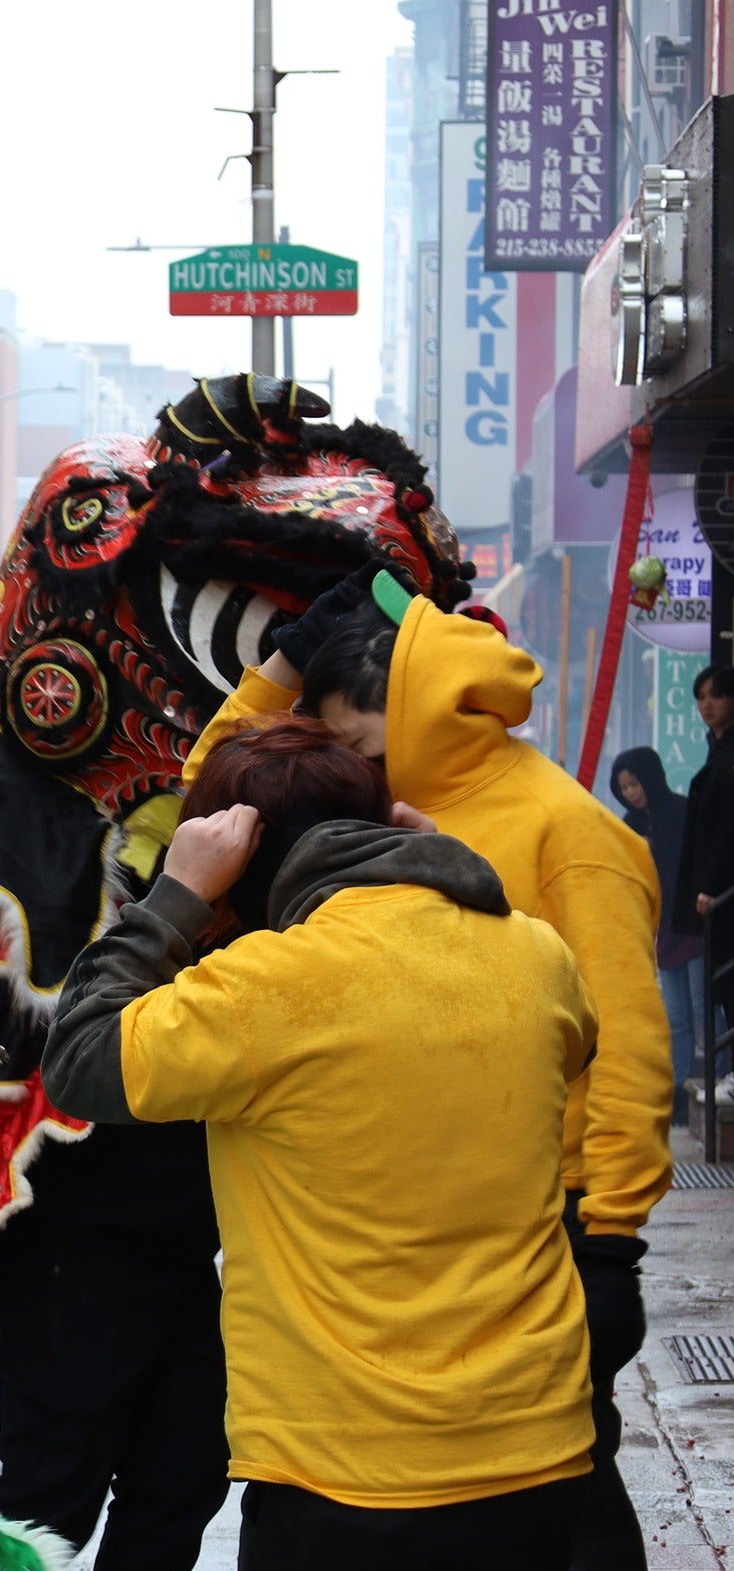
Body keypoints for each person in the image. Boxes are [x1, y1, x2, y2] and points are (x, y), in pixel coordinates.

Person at [192, 565, 667, 1569]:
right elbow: (217, 799)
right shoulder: (380, 804)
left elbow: (624, 1045)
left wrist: (610, 1238)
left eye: (353, 743)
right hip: (384, 1209)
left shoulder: (565, 830)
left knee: (559, 1489)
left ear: (404, 714)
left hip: (536, 1222)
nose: (342, 764)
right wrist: (276, 671)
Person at [48, 719, 596, 1570]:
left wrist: (172, 896)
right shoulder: (533, 951)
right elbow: (576, 1040)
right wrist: (451, 866)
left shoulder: (261, 989)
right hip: (541, 1452)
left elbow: (79, 1060)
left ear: (241, 861)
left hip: (344, 1476)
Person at [611, 746, 707, 1122]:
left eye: (635, 783)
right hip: (663, 926)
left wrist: (656, 852)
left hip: (693, 923)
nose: (632, 793)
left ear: (650, 777)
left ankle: (717, 1077)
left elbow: (689, 863)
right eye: (624, 788)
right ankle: (680, 1087)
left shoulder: (681, 811)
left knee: (703, 1006)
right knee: (676, 1015)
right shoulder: (629, 824)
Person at [680, 665, 734, 1101]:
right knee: (721, 983)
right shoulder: (715, 748)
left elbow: (728, 828)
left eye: (715, 696)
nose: (706, 705)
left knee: (727, 981)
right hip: (714, 894)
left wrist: (711, 885)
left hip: (723, 892)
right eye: (701, 698)